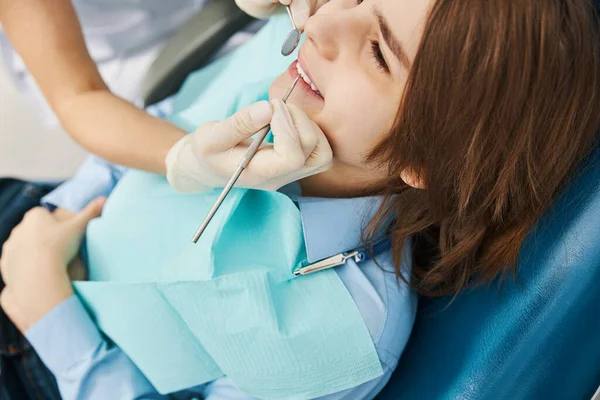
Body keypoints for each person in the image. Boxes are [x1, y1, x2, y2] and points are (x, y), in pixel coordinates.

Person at [2, 0, 600, 399]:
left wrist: (53, 319)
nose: (320, 24)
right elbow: (151, 128)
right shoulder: (287, 61)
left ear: (432, 158)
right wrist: (61, 210)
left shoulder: (345, 332)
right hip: (38, 216)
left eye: (378, 52)